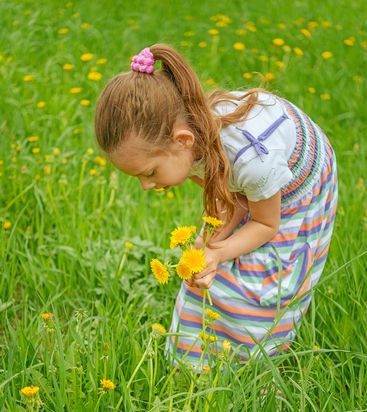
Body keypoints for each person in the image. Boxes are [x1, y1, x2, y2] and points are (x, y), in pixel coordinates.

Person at [94, 44, 338, 366]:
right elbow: (231, 196)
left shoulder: (252, 160)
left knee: (264, 285)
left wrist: (219, 252)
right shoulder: (191, 147)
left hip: (296, 185)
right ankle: (196, 361)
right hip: (252, 180)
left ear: (182, 141)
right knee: (216, 261)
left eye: (149, 173)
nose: (146, 186)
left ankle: (257, 364)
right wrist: (210, 242)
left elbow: (266, 224)